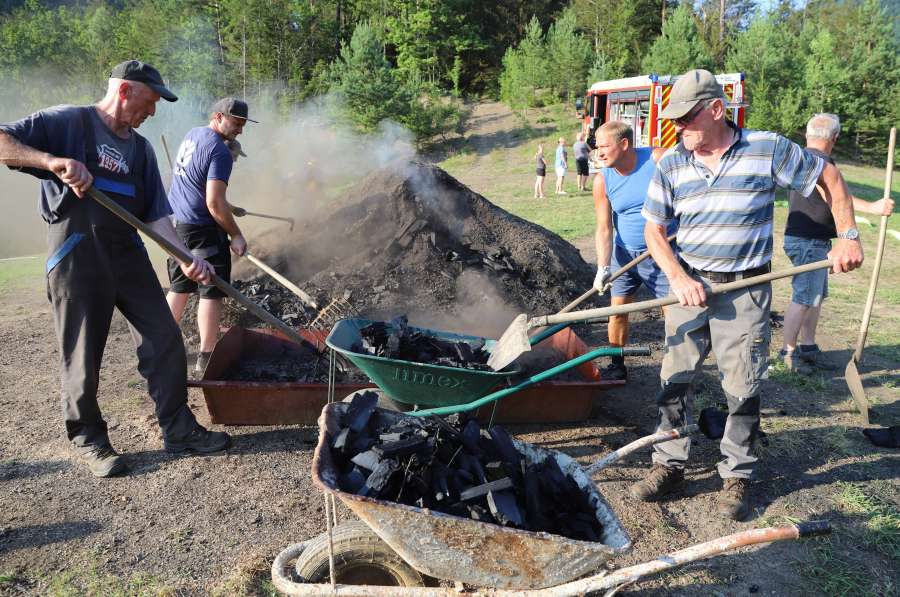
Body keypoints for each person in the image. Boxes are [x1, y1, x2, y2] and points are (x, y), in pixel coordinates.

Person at [636, 69, 863, 520]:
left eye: (686, 120)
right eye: (674, 121)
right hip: (689, 285)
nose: (677, 129)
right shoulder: (672, 163)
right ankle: (669, 463)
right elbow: (654, 230)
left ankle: (737, 475)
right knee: (674, 378)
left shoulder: (767, 149)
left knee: (741, 384)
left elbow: (829, 177)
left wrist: (848, 234)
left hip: (745, 288)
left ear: (717, 110)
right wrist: (679, 277)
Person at [0, 60, 232, 477]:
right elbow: (3, 141)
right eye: (151, 100)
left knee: (164, 335)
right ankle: (89, 438)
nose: (154, 111)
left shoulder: (140, 149)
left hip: (126, 251)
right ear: (125, 90)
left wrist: (185, 257)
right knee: (83, 351)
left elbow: (157, 216)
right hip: (75, 249)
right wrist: (52, 162)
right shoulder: (69, 122)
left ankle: (178, 428)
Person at [780, 113, 894, 373]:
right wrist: (874, 207)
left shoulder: (802, 158)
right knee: (804, 297)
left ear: (808, 135)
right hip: (807, 241)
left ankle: (808, 346)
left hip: (814, 240)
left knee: (815, 296)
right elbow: (834, 195)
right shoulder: (818, 163)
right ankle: (786, 353)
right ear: (834, 138)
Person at [165, 98, 255, 373]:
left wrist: (230, 207)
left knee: (179, 289)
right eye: (236, 123)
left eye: (242, 125)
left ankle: (160, 350)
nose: (240, 130)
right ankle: (206, 357)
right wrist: (236, 235)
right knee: (211, 292)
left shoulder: (194, 134)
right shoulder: (221, 152)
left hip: (178, 225)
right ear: (218, 116)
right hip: (203, 230)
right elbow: (213, 203)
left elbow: (197, 186)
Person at [592, 121, 674, 380]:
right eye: (597, 147)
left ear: (624, 144)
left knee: (672, 311)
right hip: (624, 255)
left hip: (661, 253)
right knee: (617, 311)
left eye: (604, 146)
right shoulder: (602, 180)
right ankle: (617, 364)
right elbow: (604, 228)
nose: (599, 152)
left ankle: (677, 367)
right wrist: (603, 267)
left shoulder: (657, 159)